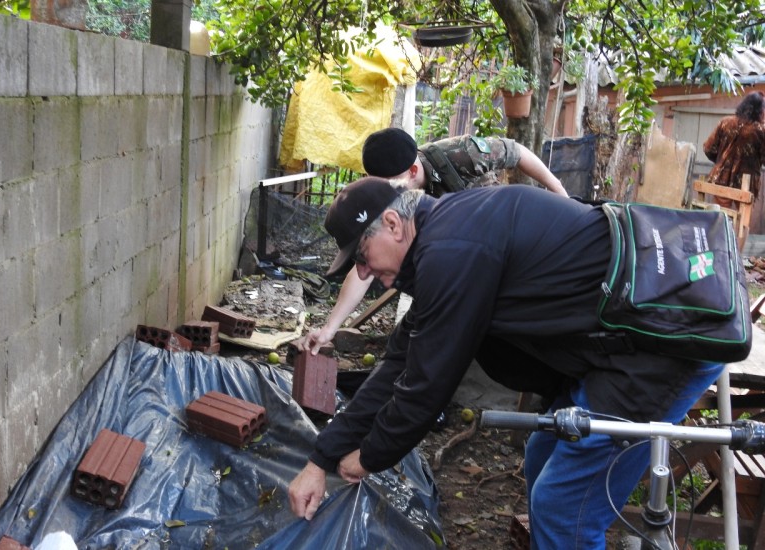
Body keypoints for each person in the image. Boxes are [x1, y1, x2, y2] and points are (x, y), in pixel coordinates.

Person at [287, 177, 725, 549]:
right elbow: (397, 365)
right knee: (541, 453)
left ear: (392, 224)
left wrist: (366, 459)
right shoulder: (449, 237)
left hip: (663, 346)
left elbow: (424, 389)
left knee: (562, 507)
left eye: (361, 256)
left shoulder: (453, 251)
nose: (362, 273)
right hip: (624, 346)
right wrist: (321, 459)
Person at [296, 128, 569, 354]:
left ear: (413, 170)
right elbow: (366, 263)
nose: (387, 193)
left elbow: (518, 152)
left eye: (393, 185)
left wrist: (561, 195)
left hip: (503, 241)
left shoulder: (461, 154)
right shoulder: (390, 199)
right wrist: (330, 328)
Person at [703, 90, 765, 208]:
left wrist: (721, 162)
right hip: (746, 185)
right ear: (760, 111)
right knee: (742, 217)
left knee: (720, 215)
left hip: (722, 178)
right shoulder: (761, 130)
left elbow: (708, 149)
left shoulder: (725, 122)